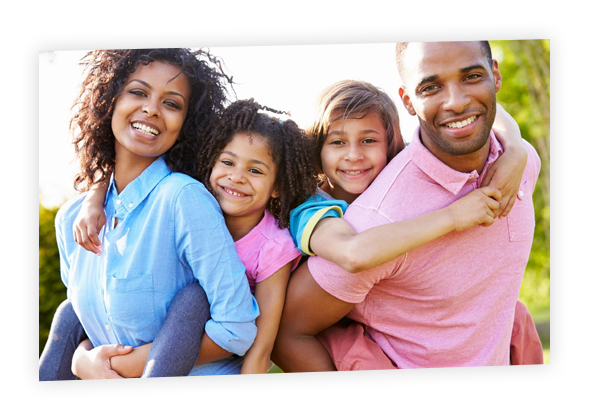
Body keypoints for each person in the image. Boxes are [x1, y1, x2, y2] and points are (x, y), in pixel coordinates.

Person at [272, 41, 542, 370]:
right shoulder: (372, 224)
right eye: (431, 86)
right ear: (408, 101)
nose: (456, 102)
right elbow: (288, 331)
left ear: (495, 76)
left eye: (471, 76)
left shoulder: (520, 161)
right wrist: (453, 217)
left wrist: (516, 148)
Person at [53, 98, 319, 376]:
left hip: (208, 352)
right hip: (165, 342)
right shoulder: (189, 206)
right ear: (210, 163)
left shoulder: (272, 246)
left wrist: (112, 364)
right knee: (67, 313)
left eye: (255, 170)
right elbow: (126, 167)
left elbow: (261, 346)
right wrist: (94, 198)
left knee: (195, 297)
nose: (237, 177)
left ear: (277, 186)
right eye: (227, 162)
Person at [39, 48, 259, 380]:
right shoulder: (72, 218)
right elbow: (90, 322)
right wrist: (82, 358)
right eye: (138, 92)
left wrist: (111, 366)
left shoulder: (183, 199)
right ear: (109, 101)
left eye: (172, 104)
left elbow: (236, 328)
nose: (152, 109)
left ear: (186, 123)